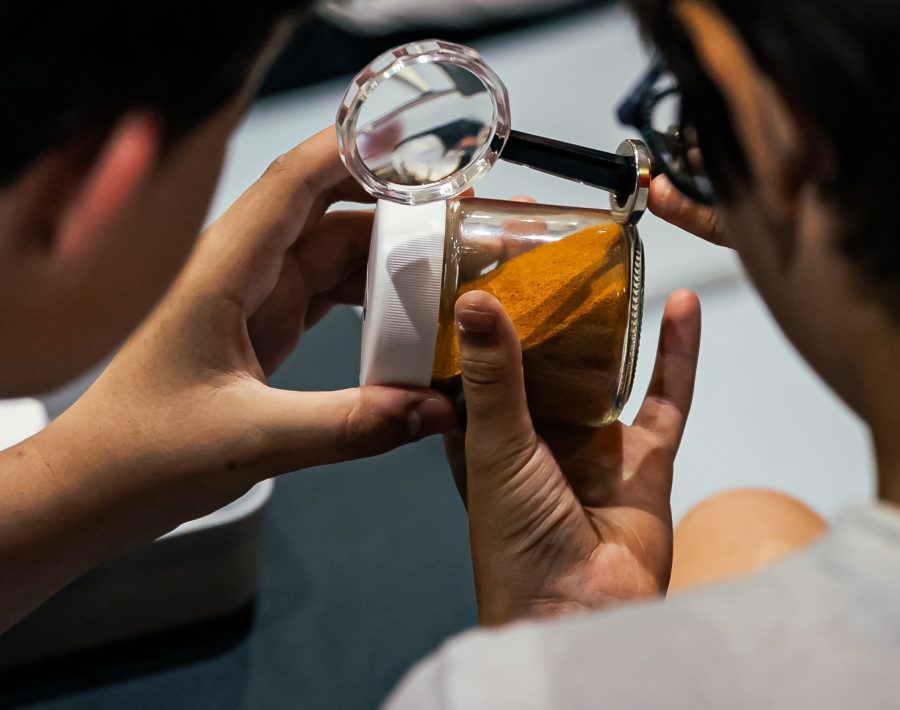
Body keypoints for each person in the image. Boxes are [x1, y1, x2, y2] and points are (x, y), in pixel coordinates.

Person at [385, 0, 900, 707]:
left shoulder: (481, 691)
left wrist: (555, 633)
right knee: (749, 524)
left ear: (782, 142)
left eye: (687, 99)